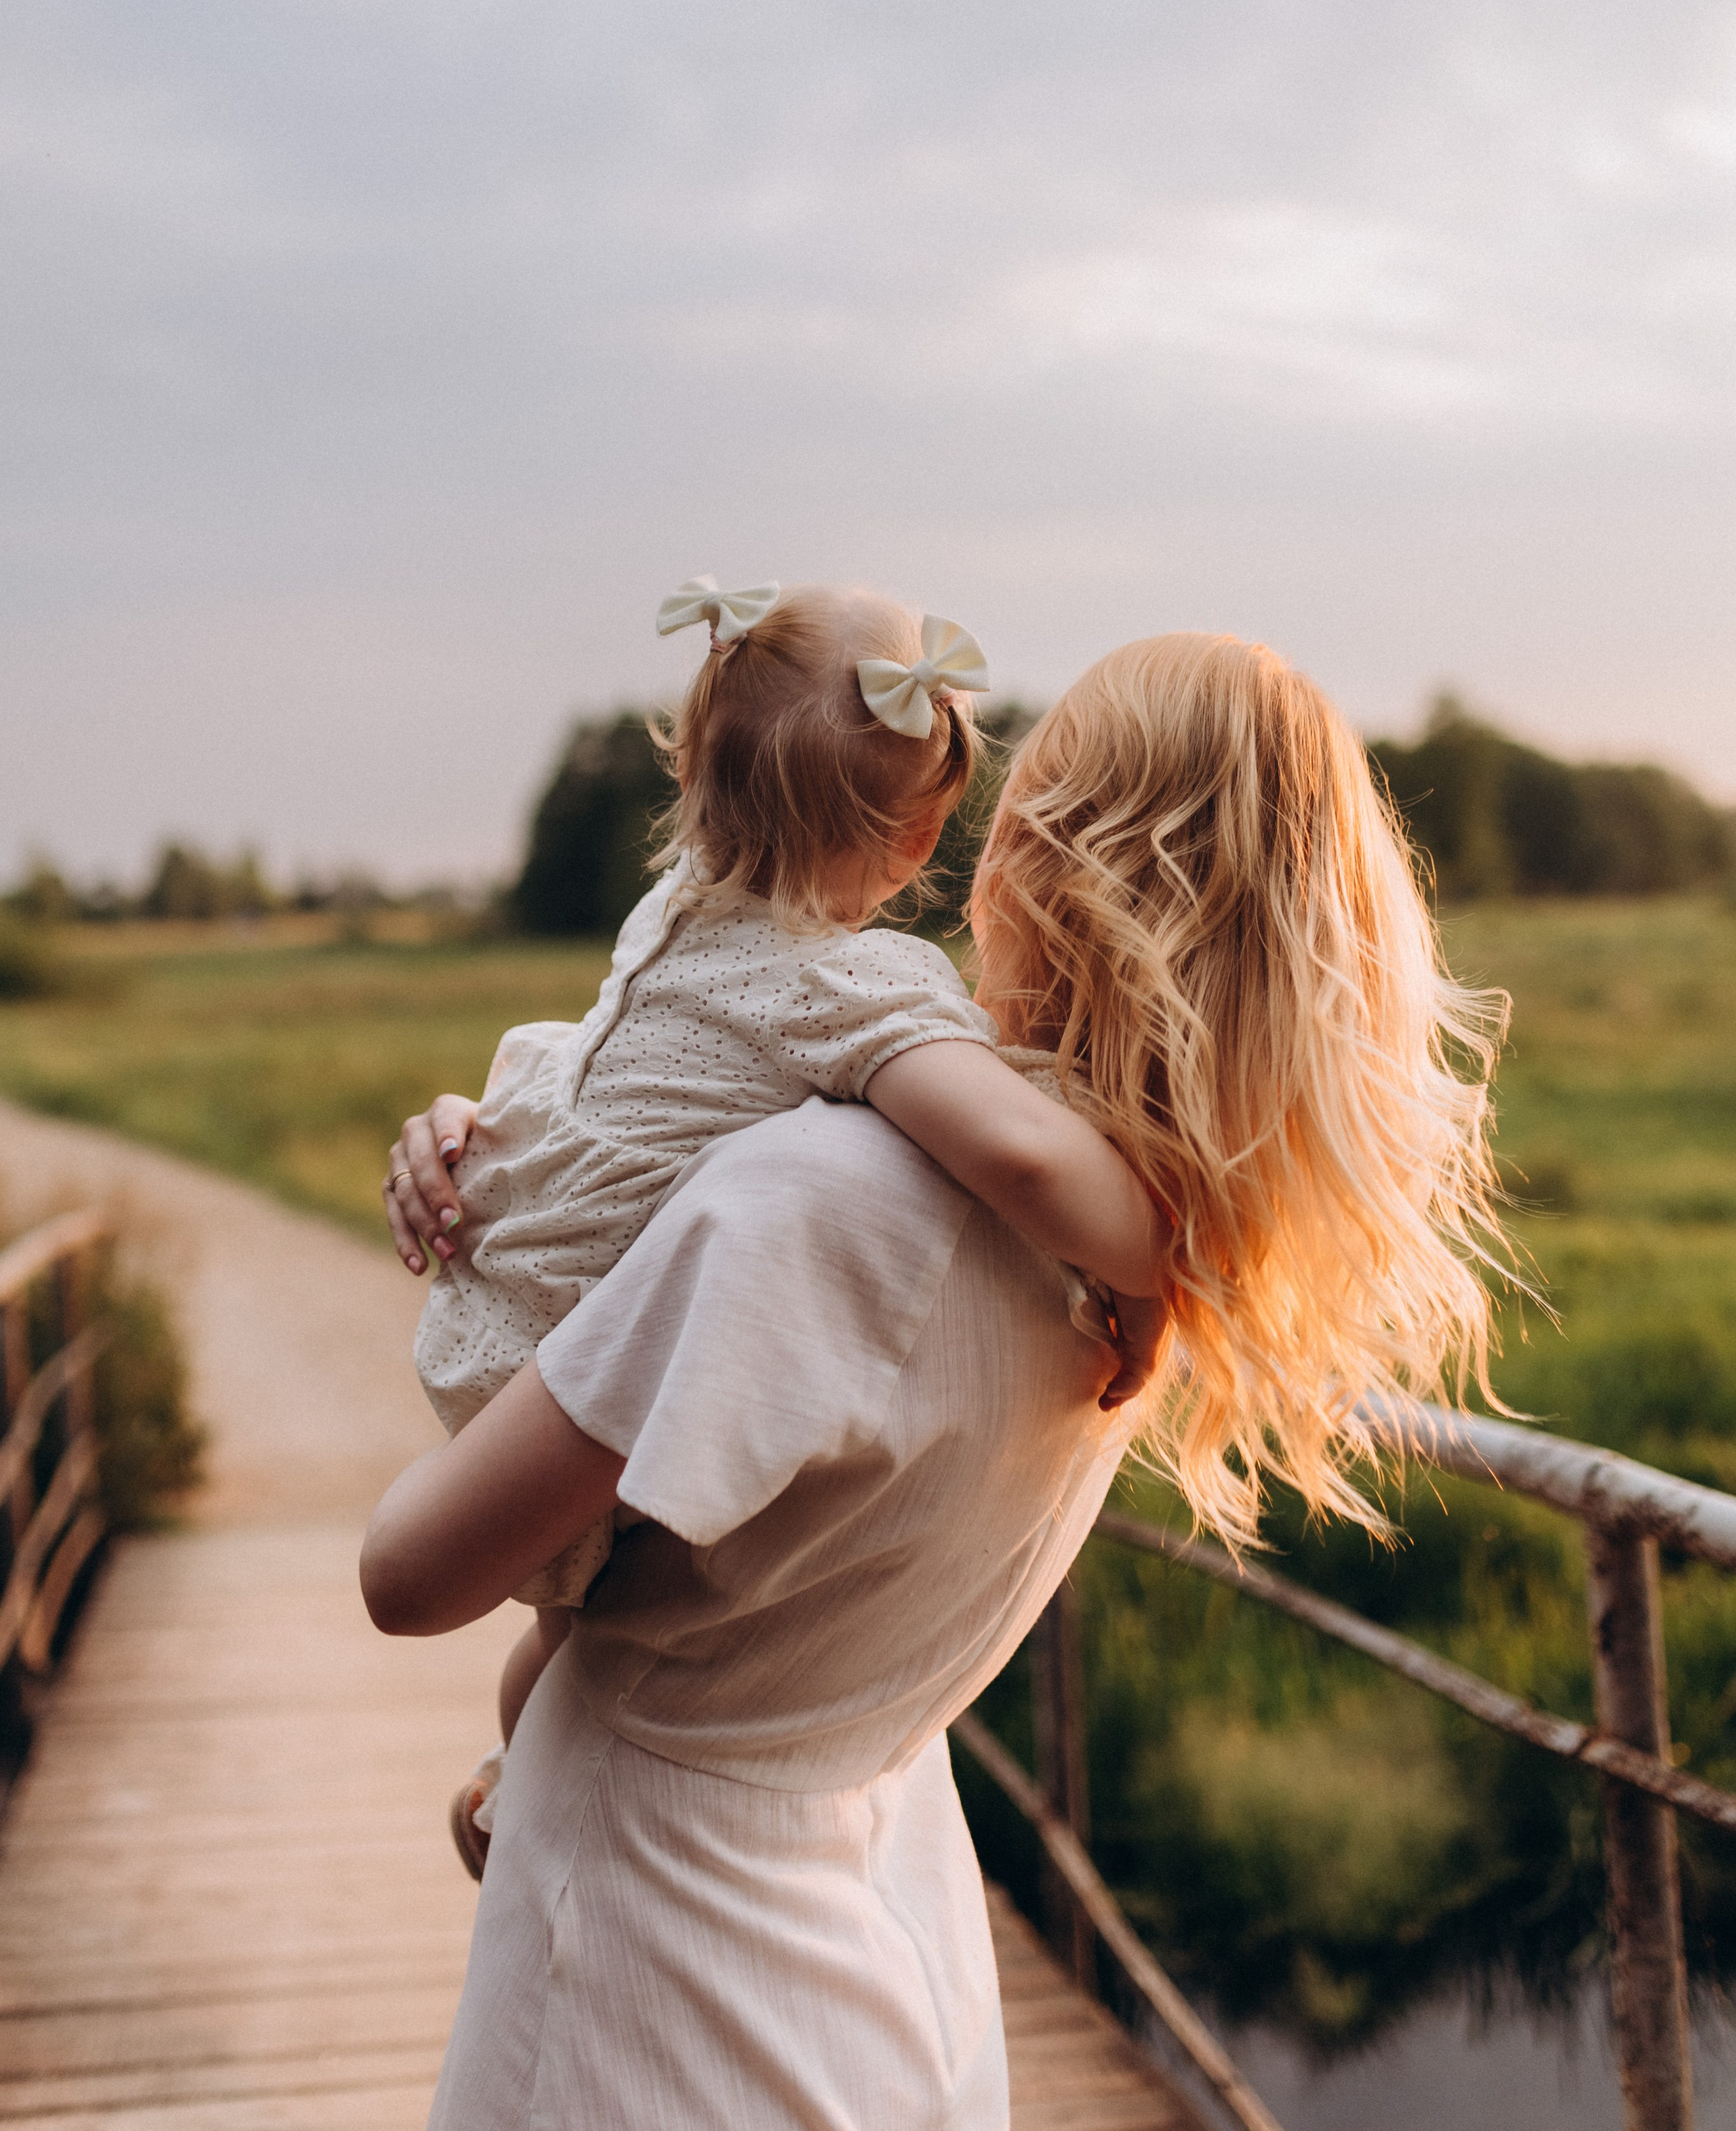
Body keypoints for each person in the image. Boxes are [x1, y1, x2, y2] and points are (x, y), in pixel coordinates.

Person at [368, 630, 1507, 2128]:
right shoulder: (1154, 1245)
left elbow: (412, 1573)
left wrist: (502, 1225)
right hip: (891, 1947)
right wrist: (517, 1128)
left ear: (1038, 857)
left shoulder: (811, 1201)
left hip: (650, 1974)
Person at [387, 580, 1173, 1859]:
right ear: (920, 842)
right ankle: (522, 1778)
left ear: (696, 779)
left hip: (495, 1325)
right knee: (587, 1634)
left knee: (573, 1640)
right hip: (568, 1376)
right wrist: (1154, 1263)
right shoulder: (846, 986)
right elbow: (1027, 1162)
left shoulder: (676, 911)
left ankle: (513, 1777)